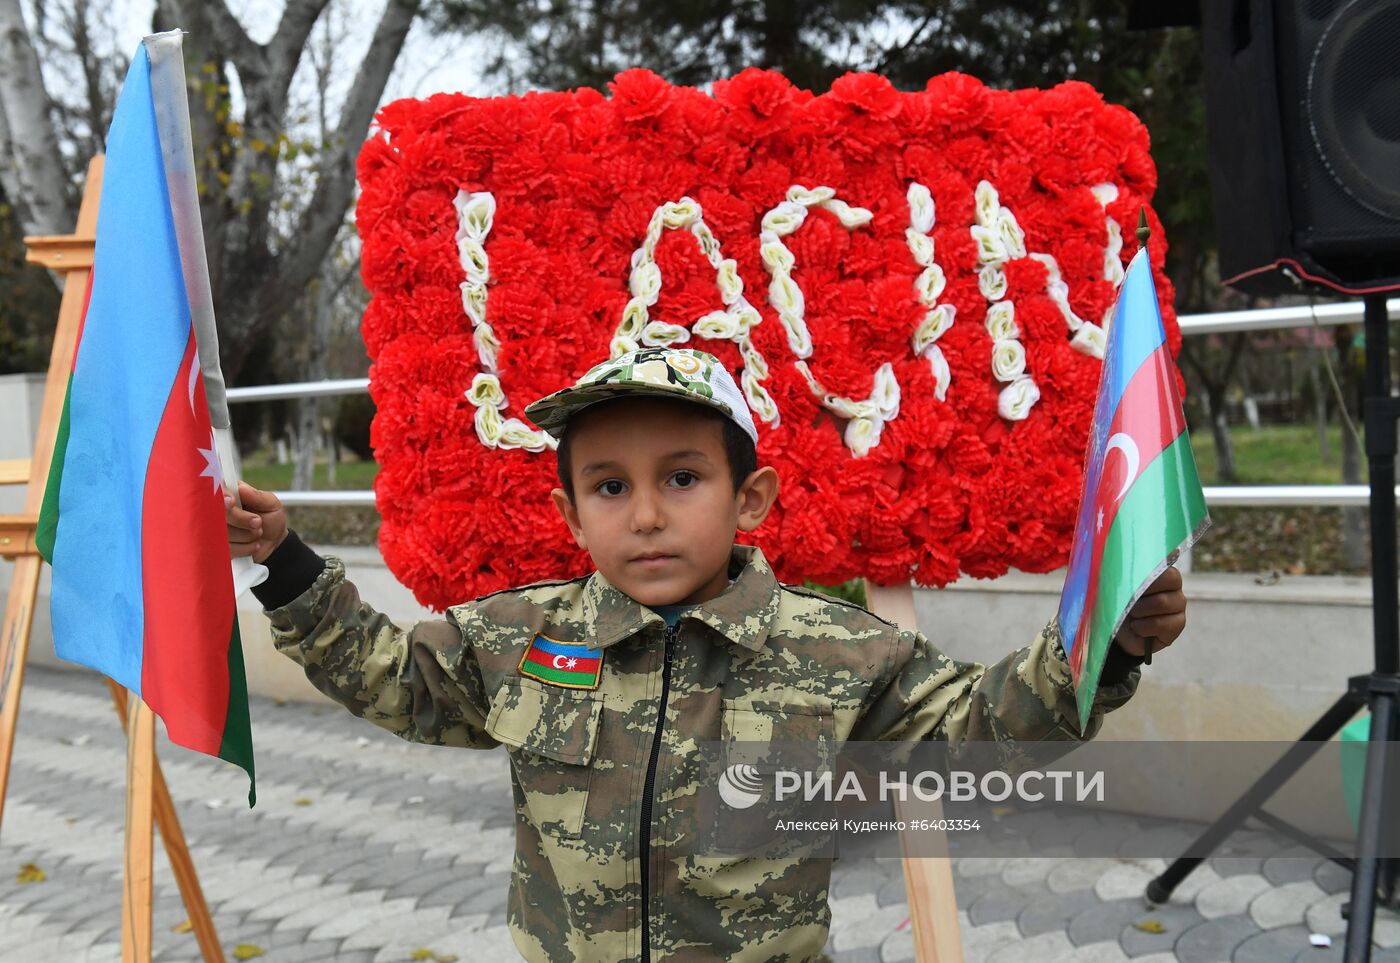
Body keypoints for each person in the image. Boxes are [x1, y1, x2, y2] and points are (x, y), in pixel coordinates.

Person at [227, 345, 1187, 962]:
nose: (645, 513)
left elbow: (977, 729)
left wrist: (1101, 649)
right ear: (568, 513)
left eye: (681, 477)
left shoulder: (842, 650)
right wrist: (287, 564)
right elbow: (401, 683)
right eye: (608, 486)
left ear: (751, 499)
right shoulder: (521, 633)